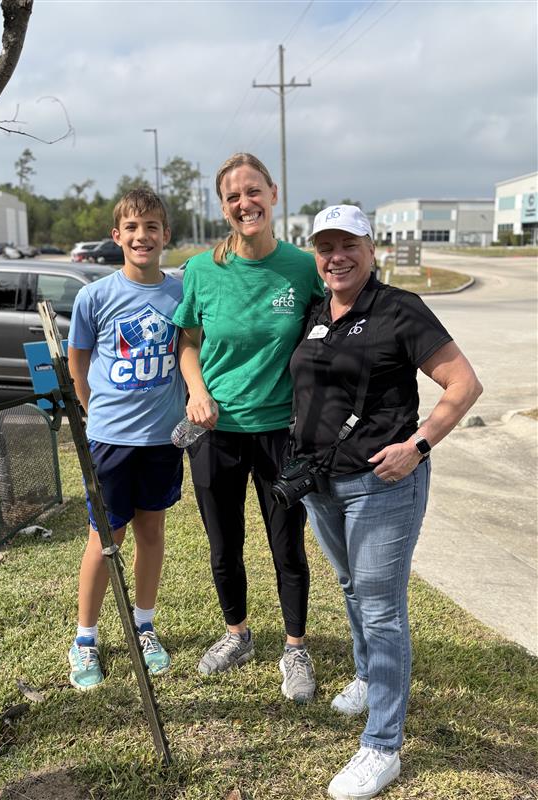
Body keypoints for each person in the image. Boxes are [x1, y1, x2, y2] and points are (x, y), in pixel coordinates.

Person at [289, 205, 483, 798]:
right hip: (323, 484)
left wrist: (418, 445)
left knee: (380, 608)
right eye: (325, 246)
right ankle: (370, 679)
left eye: (348, 244)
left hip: (383, 484)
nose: (336, 256)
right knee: (352, 590)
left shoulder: (400, 309)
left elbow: (464, 384)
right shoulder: (318, 310)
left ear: (372, 249)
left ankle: (382, 747)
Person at [172, 152, 325, 702]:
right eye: (234, 196)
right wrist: (198, 391)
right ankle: (238, 634)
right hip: (215, 430)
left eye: (253, 191)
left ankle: (295, 647)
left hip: (283, 431)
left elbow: (335, 326)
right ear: (223, 206)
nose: (245, 203)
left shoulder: (304, 268)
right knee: (223, 545)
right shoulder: (200, 270)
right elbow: (186, 342)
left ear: (274, 194)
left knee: (288, 546)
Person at [66, 189, 185, 690]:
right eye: (133, 228)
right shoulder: (94, 296)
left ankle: (144, 626)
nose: (143, 236)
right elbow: (78, 360)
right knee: (104, 537)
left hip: (162, 439)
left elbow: (190, 352)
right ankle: (85, 639)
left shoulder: (181, 291)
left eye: (152, 227)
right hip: (112, 439)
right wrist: (94, 410)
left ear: (166, 236)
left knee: (151, 533)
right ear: (117, 236)